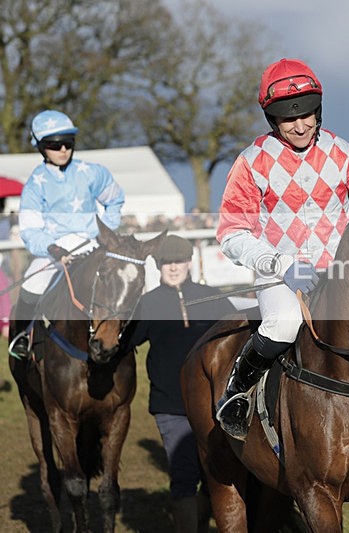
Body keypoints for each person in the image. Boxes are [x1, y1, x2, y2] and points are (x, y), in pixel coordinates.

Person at [215, 58, 349, 440]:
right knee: (284, 323)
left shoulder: (342, 152)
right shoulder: (251, 162)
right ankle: (237, 392)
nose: (301, 125)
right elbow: (231, 231)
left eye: (307, 114)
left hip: (341, 273)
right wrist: (279, 263)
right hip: (282, 275)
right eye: (289, 119)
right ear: (272, 120)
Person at [126, 235, 234, 532]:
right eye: (166, 263)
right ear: (159, 266)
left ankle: (201, 519)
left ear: (189, 263)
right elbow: (123, 344)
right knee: (184, 475)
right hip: (170, 405)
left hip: (214, 404)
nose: (173, 267)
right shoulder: (147, 304)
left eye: (178, 261)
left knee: (215, 471)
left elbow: (238, 332)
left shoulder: (211, 296)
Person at [8, 110, 125, 358]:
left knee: (123, 277)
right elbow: (30, 230)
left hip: (92, 245)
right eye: (54, 144)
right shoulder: (35, 184)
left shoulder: (93, 172)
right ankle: (22, 335)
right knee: (31, 283)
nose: (63, 149)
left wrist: (104, 232)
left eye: (68, 143)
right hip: (54, 251)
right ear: (41, 147)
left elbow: (115, 200)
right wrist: (52, 249)